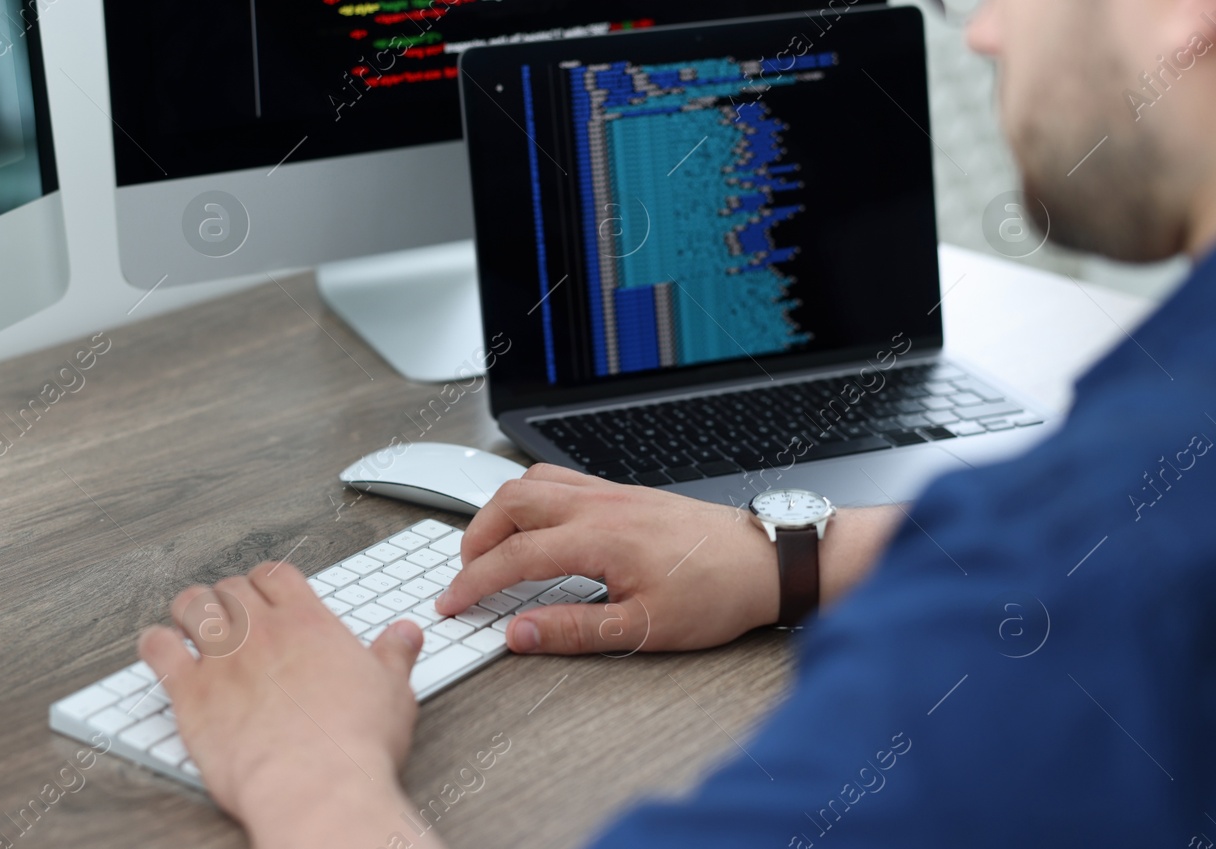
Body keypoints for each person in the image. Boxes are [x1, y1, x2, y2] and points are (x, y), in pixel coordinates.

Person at [138, 0, 1216, 845]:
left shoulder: (1090, 577)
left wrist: (309, 777)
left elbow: (1093, 571)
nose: (980, 29)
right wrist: (789, 554)